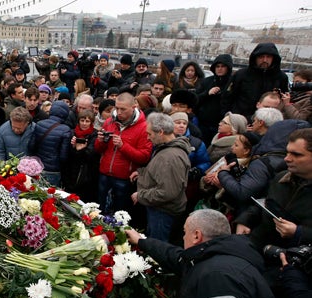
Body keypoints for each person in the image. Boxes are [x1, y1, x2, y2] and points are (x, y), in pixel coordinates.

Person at [125, 209, 286, 298]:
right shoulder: (214, 256)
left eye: (184, 232)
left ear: (196, 236)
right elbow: (177, 258)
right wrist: (141, 241)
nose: (183, 237)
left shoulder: (219, 278)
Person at [235, 128, 312, 250]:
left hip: (290, 261)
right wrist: (246, 220)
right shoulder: (281, 178)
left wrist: (299, 232)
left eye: (296, 154)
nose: (287, 158)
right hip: (256, 246)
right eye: (287, 153)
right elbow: (266, 204)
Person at [131, 112, 191, 241]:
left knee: (157, 249)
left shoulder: (169, 157)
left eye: (149, 134)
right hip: (159, 211)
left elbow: (167, 192)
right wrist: (143, 173)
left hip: (163, 213)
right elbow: (160, 174)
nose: (147, 138)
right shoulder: (165, 150)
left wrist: (140, 195)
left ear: (161, 132)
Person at [94, 93, 152, 214]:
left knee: (119, 214)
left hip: (124, 179)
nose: (119, 112)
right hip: (104, 174)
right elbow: (98, 150)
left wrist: (123, 146)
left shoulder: (144, 127)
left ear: (134, 106)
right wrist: (100, 141)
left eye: (123, 109)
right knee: (99, 211)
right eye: (117, 108)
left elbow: (144, 157)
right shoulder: (109, 122)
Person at [222, 42, 290, 121]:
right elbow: (227, 97)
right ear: (255, 58)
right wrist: (228, 118)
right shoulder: (241, 74)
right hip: (240, 119)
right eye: (261, 57)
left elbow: (283, 101)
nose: (265, 60)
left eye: (268, 57)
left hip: (266, 122)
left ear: (274, 58)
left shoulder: (281, 77)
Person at [29, 101, 72, 186]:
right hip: (53, 170)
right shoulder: (65, 130)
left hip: (37, 166)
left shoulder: (40, 124)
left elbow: (31, 146)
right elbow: (63, 156)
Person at [196, 53, 234, 145]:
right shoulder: (207, 81)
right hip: (204, 123)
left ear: (228, 68)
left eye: (223, 66)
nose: (220, 69)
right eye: (217, 66)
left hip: (222, 124)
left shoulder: (233, 83)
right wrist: (207, 93)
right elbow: (196, 99)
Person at [63, 109, 99, 203]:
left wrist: (81, 150)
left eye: (87, 121)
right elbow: (66, 153)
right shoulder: (72, 133)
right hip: (70, 172)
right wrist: (73, 147)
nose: (84, 123)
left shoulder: (94, 135)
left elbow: (91, 155)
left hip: (86, 175)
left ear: (91, 123)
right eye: (82, 120)